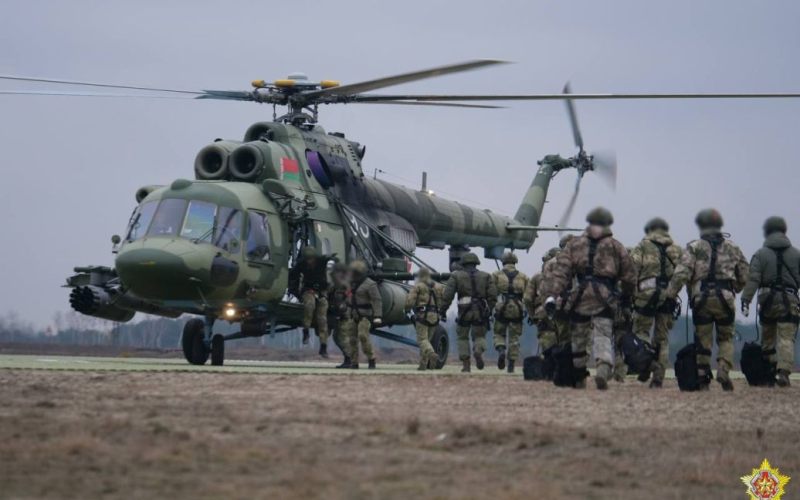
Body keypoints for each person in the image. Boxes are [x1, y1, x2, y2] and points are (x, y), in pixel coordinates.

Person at [546, 207, 636, 390]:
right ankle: (603, 368)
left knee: (579, 337)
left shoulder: (575, 245)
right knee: (602, 335)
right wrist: (626, 297)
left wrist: (551, 296)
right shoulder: (616, 246)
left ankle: (579, 377)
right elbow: (629, 277)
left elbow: (561, 272)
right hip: (605, 297)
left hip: (580, 296)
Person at [663, 209, 749, 391]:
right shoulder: (733, 248)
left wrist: (670, 295)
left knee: (703, 339)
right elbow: (744, 276)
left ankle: (702, 377)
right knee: (726, 337)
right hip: (725, 298)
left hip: (701, 298)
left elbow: (681, 273)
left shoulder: (694, 247)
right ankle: (724, 369)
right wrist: (736, 289)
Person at [741, 216, 800, 388]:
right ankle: (783, 373)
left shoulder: (760, 254)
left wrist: (746, 300)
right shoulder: (796, 254)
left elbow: (753, 279)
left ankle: (769, 370)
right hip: (790, 301)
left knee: (767, 338)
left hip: (767, 302)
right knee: (786, 339)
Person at [629, 218, 683, 388]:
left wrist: (632, 294)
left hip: (646, 296)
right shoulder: (677, 249)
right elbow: (684, 273)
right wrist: (674, 292)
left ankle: (646, 365)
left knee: (641, 332)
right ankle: (658, 377)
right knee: (662, 338)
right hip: (668, 296)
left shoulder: (642, 246)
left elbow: (632, 270)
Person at [441, 252, 498, 372]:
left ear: (463, 263)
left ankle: (466, 364)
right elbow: (493, 296)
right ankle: (478, 349)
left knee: (462, 338)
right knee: (479, 336)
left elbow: (447, 295)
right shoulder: (486, 276)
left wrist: (442, 311)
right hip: (480, 311)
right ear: (476, 263)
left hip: (464, 311)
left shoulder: (456, 276)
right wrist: (489, 310)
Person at [288, 246, 332, 356]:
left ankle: (323, 346)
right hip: (309, 291)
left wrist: (332, 258)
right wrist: (295, 289)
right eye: (307, 259)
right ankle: (306, 331)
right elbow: (293, 274)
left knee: (322, 320)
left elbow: (330, 259)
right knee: (309, 306)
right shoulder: (301, 265)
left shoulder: (321, 261)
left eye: (311, 258)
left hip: (322, 293)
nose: (309, 261)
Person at [491, 252, 529, 373]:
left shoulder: (496, 275)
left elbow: (491, 293)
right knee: (514, 338)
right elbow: (528, 296)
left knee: (499, 333)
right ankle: (511, 365)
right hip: (517, 309)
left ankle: (501, 350)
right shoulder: (523, 277)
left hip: (501, 308)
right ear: (515, 262)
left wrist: (492, 307)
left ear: (503, 262)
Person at [404, 268, 444, 371]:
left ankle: (431, 354)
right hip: (435, 317)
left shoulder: (418, 287)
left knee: (422, 340)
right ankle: (424, 365)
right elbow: (442, 301)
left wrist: (406, 310)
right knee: (427, 341)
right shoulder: (438, 287)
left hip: (422, 316)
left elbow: (409, 301)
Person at [524, 247, 561, 353]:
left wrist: (533, 315)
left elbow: (527, 299)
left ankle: (548, 365)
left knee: (547, 345)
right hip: (564, 313)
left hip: (543, 313)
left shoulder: (538, 276)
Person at [348, 260, 382, 370]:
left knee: (363, 336)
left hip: (365, 316)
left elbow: (376, 300)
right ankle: (354, 362)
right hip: (353, 315)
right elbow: (347, 297)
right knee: (352, 339)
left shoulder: (370, 284)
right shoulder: (350, 283)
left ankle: (371, 359)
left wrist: (377, 316)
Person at [327, 262, 355, 368]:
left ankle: (350, 360)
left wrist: (344, 309)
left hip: (345, 315)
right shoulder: (336, 284)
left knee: (341, 337)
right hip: (339, 314)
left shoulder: (346, 284)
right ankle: (349, 359)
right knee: (338, 337)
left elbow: (350, 299)